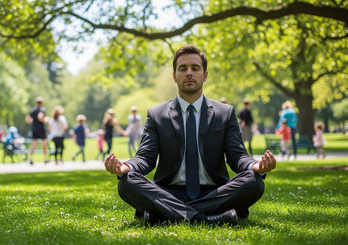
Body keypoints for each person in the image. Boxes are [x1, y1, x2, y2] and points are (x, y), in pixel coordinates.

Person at [104, 45, 276, 226]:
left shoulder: (225, 113)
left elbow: (237, 156)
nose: (189, 73)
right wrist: (126, 167)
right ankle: (209, 219)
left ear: (205, 75)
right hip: (169, 192)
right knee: (127, 182)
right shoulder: (157, 114)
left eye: (195, 68)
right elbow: (145, 157)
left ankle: (164, 214)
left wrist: (254, 165)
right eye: (182, 68)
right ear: (174, 76)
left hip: (214, 192)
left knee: (254, 181)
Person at [25, 96, 49, 165]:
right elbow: (40, 116)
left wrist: (33, 122)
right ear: (42, 103)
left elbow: (27, 119)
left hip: (34, 128)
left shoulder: (32, 110)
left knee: (34, 144)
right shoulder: (42, 109)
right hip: (41, 129)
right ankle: (46, 158)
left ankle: (30, 158)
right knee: (44, 144)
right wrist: (45, 120)